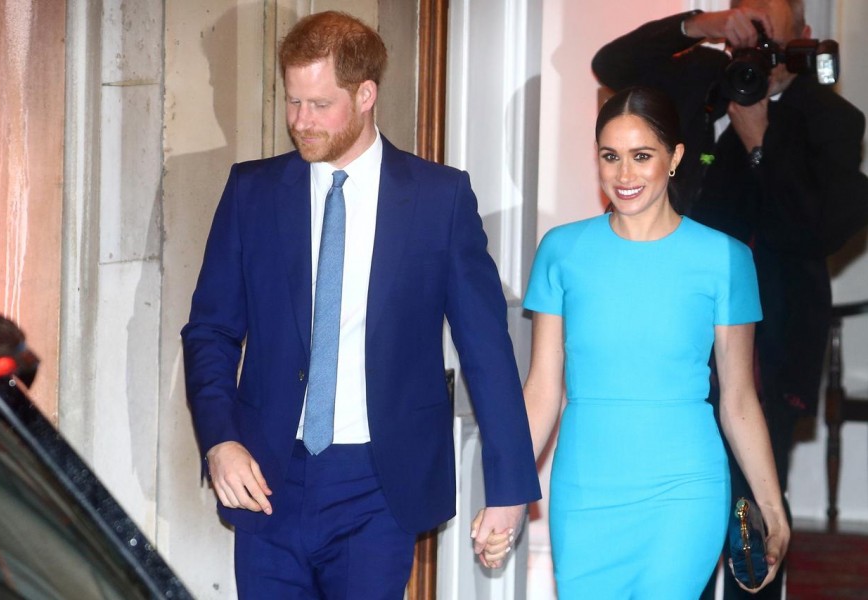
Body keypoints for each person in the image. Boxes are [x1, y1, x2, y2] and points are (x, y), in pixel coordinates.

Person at [180, 10, 540, 599]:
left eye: (319, 105)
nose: (301, 121)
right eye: (293, 102)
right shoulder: (252, 191)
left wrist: (508, 490)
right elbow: (211, 332)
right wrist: (220, 440)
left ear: (366, 94)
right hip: (266, 476)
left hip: (377, 486)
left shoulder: (439, 198)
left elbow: (486, 351)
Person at [591, 2, 868, 598]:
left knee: (751, 509)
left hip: (769, 340)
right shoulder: (698, 77)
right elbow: (610, 63)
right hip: (671, 330)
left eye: (774, 31)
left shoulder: (832, 119)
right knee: (667, 493)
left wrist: (761, 144)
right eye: (750, 24)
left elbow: (816, 233)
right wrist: (702, 25)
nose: (759, 44)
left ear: (804, 38)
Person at [521, 86, 790, 598]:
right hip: (584, 496)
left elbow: (737, 401)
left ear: (676, 158)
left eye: (642, 156)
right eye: (610, 156)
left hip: (683, 493)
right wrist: (508, 492)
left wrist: (772, 511)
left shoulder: (724, 259)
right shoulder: (562, 251)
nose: (624, 175)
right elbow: (541, 391)